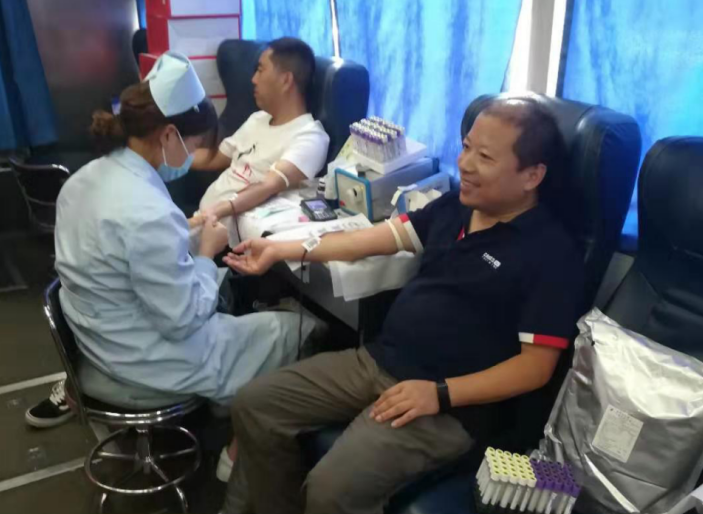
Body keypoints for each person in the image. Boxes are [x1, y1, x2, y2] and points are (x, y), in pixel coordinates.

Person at [220, 98, 585, 514]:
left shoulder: (551, 254)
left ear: (532, 175)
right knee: (255, 405)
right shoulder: (457, 207)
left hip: (450, 406)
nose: (464, 163)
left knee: (330, 490)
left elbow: (535, 368)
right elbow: (373, 239)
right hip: (380, 361)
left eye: (484, 157)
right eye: (466, 147)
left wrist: (440, 394)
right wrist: (280, 249)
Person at [25, 54, 314, 479]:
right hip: (143, 361)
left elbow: (122, 255)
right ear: (168, 134)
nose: (192, 155)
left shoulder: (83, 180)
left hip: (97, 341)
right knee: (295, 329)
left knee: (234, 304)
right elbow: (182, 319)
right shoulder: (147, 212)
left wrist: (185, 232)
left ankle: (226, 404)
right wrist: (205, 252)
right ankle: (240, 449)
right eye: (193, 145)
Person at [188, 37, 330, 246]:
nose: (253, 79)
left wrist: (216, 211)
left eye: (260, 70)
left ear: (286, 80)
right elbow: (214, 158)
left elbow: (268, 185)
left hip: (224, 238)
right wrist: (164, 159)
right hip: (199, 223)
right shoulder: (257, 119)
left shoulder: (309, 136)